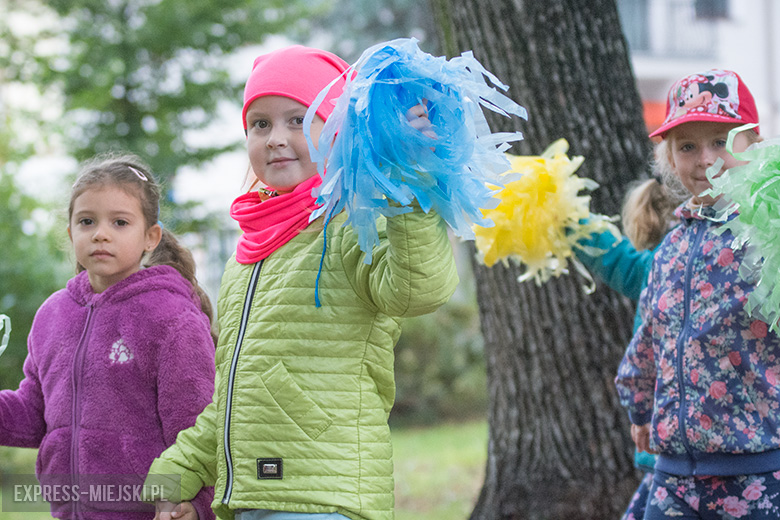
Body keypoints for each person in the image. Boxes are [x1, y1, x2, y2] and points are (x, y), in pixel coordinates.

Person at [145, 45, 459, 520]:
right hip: (256, 496)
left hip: (325, 495)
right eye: (261, 124)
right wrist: (173, 477)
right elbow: (232, 396)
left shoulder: (355, 223)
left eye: (298, 119)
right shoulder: (246, 257)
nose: (275, 138)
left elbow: (417, 291)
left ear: (337, 131)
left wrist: (411, 185)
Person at [0, 154, 217, 520]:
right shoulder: (53, 315)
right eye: (87, 221)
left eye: (119, 222)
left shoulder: (171, 317)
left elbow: (199, 428)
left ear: (151, 237)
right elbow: (33, 412)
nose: (101, 233)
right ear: (70, 233)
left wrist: (196, 505)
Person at [615, 69, 780, 519]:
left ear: (754, 146)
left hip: (757, 472)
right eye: (687, 146)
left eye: (722, 142)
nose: (705, 158)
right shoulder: (672, 246)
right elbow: (651, 334)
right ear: (669, 157)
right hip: (674, 476)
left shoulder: (767, 237)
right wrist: (639, 400)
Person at [575, 175, 683, 520]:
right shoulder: (665, 264)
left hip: (663, 441)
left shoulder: (648, 266)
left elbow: (609, 253)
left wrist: (565, 216)